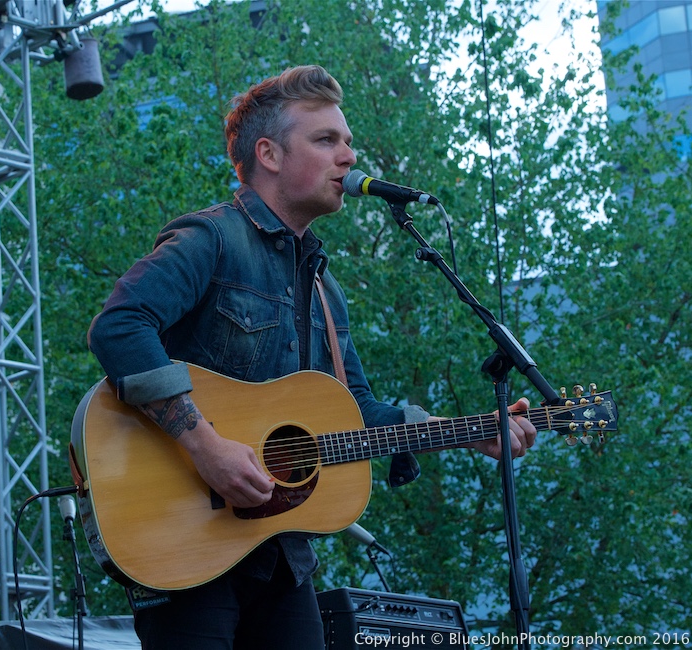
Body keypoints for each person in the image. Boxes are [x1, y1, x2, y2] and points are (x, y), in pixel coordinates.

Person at [87, 64, 536, 650]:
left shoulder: (324, 288)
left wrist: (465, 432)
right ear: (269, 154)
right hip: (181, 538)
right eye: (326, 140)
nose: (348, 157)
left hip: (280, 550)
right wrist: (205, 444)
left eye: (348, 142)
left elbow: (355, 415)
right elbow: (118, 327)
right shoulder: (211, 239)